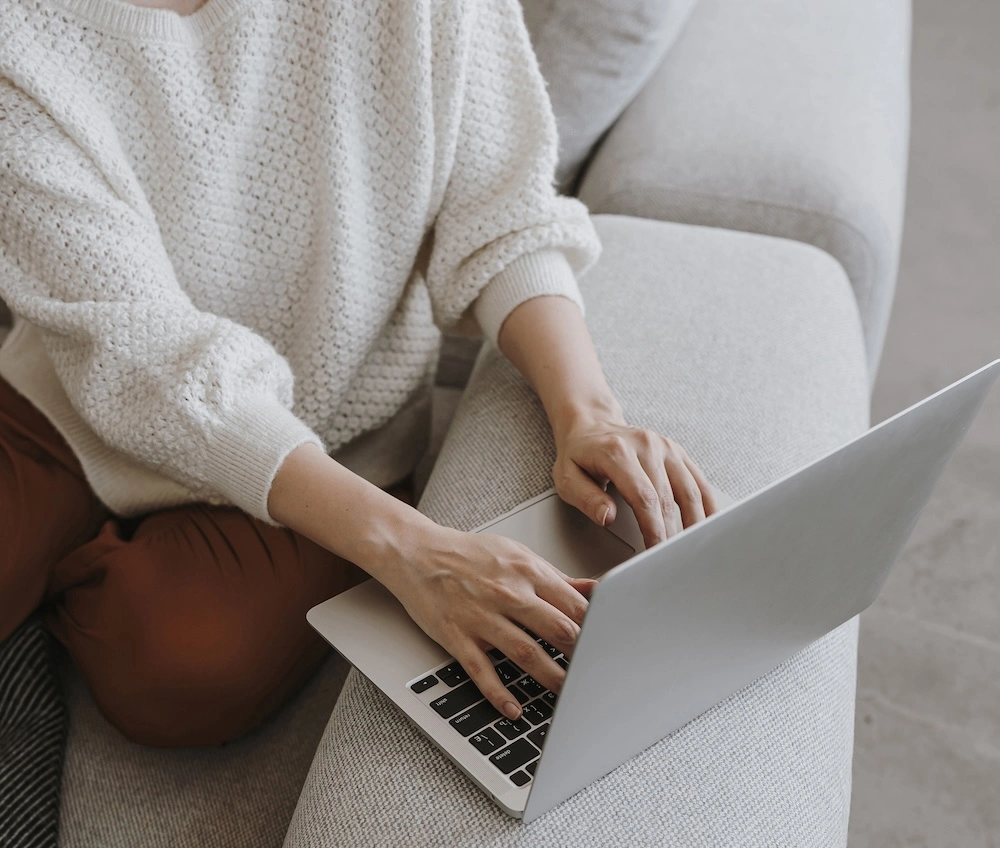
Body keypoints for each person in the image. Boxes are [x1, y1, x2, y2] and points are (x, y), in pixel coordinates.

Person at [0, 0, 721, 749]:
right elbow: (139, 349)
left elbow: (504, 215)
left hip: (325, 438)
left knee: (180, 669)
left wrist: (590, 413)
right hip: (70, 405)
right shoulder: (17, 37)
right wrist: (416, 553)